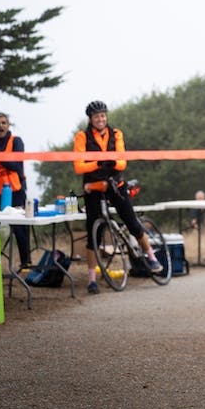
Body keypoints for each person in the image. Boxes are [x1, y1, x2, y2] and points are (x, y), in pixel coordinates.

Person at [74, 100, 162, 294]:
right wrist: (101, 162)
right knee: (94, 234)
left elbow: (122, 163)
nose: (100, 119)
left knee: (132, 223)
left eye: (103, 115)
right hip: (94, 188)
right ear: (90, 119)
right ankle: (91, 280)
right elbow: (79, 167)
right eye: (96, 116)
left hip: (116, 185)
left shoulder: (116, 134)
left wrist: (99, 162)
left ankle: (151, 257)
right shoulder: (82, 136)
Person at [0, 112, 32, 267]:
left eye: (3, 123)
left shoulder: (16, 142)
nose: (0, 126)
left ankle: (26, 264)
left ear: (8, 125)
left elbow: (17, 166)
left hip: (16, 192)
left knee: (20, 228)